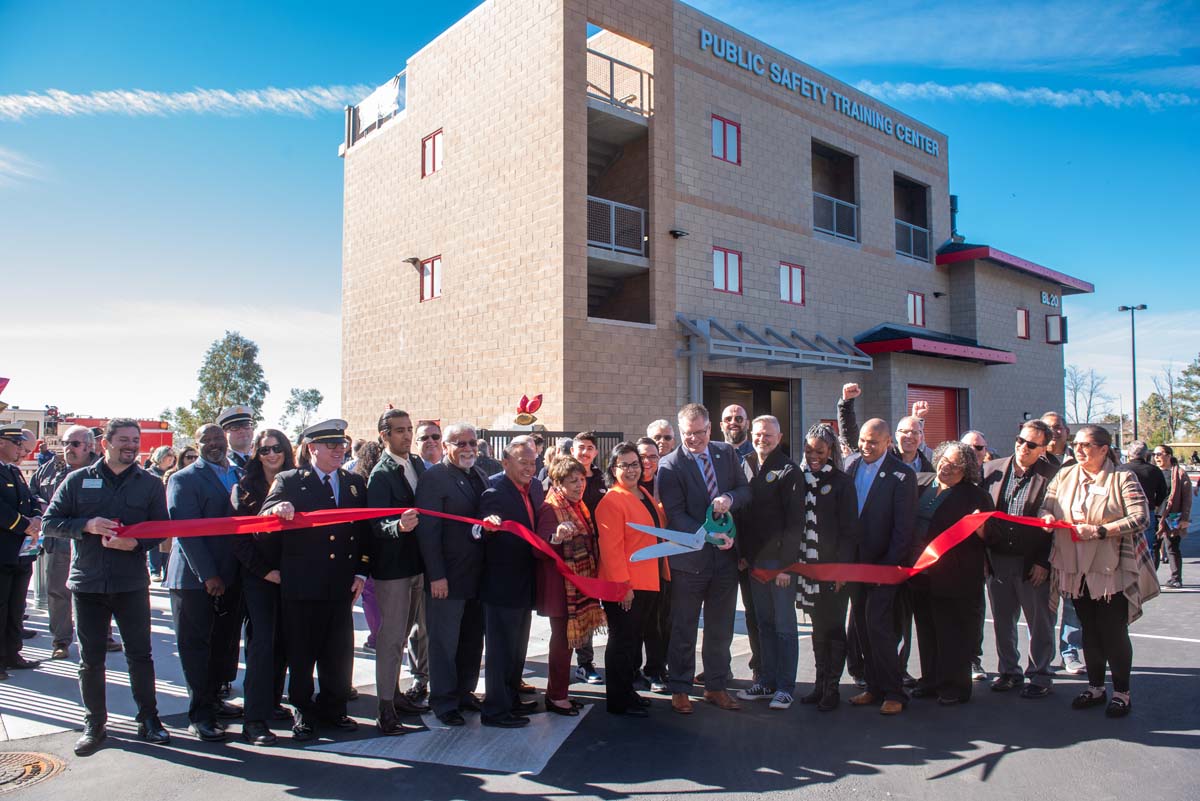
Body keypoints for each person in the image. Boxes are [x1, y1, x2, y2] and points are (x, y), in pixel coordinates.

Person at [42, 418, 171, 756]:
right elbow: (51, 524)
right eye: (124, 440)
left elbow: (161, 529)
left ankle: (149, 719)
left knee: (140, 655)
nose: (131, 445)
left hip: (130, 583)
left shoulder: (151, 484)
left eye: (135, 440)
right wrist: (87, 524)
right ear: (106, 444)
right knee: (91, 660)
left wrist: (137, 545)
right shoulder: (77, 480)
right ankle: (95, 724)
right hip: (88, 584)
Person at [261, 420, 369, 741]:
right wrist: (278, 508)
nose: (339, 450)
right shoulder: (290, 480)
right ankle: (303, 710)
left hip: (341, 584)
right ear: (312, 449)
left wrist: (361, 571)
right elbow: (264, 515)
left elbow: (363, 531)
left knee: (338, 652)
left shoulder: (353, 483)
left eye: (342, 444)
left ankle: (334, 708)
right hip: (303, 584)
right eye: (331, 445)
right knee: (302, 652)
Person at [1040, 424, 1151, 718]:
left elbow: (1141, 518)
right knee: (1087, 629)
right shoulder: (1064, 475)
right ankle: (1096, 687)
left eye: (1086, 445)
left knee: (1113, 631)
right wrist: (1047, 516)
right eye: (1075, 444)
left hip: (1108, 568)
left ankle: (1122, 692)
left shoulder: (1122, 477)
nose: (1078, 449)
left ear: (1104, 449)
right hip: (1073, 568)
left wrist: (1101, 531)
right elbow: (1045, 506)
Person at [657, 403, 751, 715]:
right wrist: (707, 534)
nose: (694, 439)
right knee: (684, 626)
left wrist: (730, 499)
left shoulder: (726, 453)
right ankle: (680, 688)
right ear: (679, 430)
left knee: (720, 626)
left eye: (699, 433)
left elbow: (744, 490)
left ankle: (716, 686)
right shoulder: (670, 465)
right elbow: (675, 514)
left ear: (710, 429)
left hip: (725, 561)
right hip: (690, 561)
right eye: (687, 434)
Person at [165, 423, 245, 742]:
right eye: (205, 440)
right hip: (194, 579)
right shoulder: (183, 479)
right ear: (195, 445)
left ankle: (215, 700)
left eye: (217, 438)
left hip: (233, 575)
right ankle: (200, 715)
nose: (213, 444)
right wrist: (208, 574)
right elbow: (187, 531)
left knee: (223, 645)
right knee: (195, 647)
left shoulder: (238, 474)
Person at [414, 422, 489, 727]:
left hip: (477, 576)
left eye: (472, 442)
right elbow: (428, 533)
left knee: (471, 639)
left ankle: (464, 691)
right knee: (444, 642)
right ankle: (443, 700)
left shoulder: (479, 474)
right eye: (460, 444)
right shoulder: (434, 478)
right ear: (446, 447)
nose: (468, 448)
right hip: (448, 577)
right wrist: (437, 576)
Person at [908, 441, 993, 705]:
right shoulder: (923, 484)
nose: (946, 466)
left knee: (953, 632)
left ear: (966, 468)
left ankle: (955, 686)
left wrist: (983, 529)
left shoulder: (976, 496)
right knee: (926, 629)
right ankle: (930, 680)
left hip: (956, 576)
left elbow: (992, 534)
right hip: (920, 573)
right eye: (943, 459)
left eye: (954, 464)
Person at [980, 420, 1058, 698]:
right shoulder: (990, 470)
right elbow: (980, 517)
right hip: (998, 559)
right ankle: (1009, 672)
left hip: (1032, 562)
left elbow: (1056, 525)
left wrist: (1044, 562)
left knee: (1040, 622)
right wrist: (984, 556)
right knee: (1003, 620)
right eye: (1020, 440)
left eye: (1031, 444)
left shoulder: (1053, 475)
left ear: (1044, 448)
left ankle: (1040, 674)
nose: (1023, 447)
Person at [846, 418, 917, 716]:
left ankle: (894, 691)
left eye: (873, 442)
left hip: (884, 566)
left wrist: (889, 566)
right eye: (863, 440)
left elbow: (904, 528)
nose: (866, 446)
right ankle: (873, 686)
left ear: (888, 442)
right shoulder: (851, 467)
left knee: (880, 626)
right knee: (861, 625)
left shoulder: (902, 475)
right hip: (854, 564)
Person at [230, 428, 295, 746]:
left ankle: (271, 701)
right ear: (256, 454)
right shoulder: (244, 488)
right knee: (261, 645)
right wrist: (264, 571)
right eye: (265, 450)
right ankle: (253, 720)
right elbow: (239, 539)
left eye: (277, 448)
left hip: (293, 575)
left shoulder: (299, 481)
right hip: (258, 578)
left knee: (283, 642)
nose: (271, 454)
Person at [365, 409, 428, 735]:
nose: (407, 435)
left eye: (409, 429)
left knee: (403, 636)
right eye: (399, 430)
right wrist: (397, 527)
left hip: (417, 565)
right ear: (384, 435)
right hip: (393, 570)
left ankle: (396, 694)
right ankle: (384, 709)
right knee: (390, 639)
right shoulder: (381, 473)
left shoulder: (416, 464)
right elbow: (374, 524)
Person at [789, 423, 858, 711]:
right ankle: (819, 684)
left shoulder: (842, 483)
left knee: (833, 629)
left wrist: (842, 569)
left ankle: (832, 687)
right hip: (807, 570)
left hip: (833, 572)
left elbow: (849, 530)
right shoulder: (798, 480)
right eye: (808, 450)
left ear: (830, 451)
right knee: (818, 629)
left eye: (819, 451)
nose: (813, 455)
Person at [595, 442, 667, 717]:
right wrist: (623, 587)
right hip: (627, 586)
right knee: (622, 641)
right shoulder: (612, 500)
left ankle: (628, 691)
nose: (631, 469)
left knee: (633, 641)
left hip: (649, 580)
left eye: (634, 463)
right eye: (623, 465)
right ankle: (617, 699)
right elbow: (611, 550)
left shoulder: (644, 494)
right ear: (612, 469)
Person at [736, 416, 799, 710]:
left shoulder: (789, 470)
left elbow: (794, 522)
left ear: (780, 435)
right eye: (758, 434)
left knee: (785, 626)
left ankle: (786, 686)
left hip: (779, 565)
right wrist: (742, 555)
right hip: (754, 563)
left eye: (769, 434)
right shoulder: (746, 464)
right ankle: (767, 680)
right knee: (764, 623)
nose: (762, 439)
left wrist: (786, 566)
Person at [534, 455, 605, 715]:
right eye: (572, 481)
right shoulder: (550, 508)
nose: (579, 485)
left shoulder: (577, 505)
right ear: (557, 482)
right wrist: (555, 537)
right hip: (560, 589)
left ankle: (560, 692)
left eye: (581, 480)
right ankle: (556, 696)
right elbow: (539, 549)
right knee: (562, 644)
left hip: (576, 585)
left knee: (566, 644)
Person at [478, 440, 541, 728]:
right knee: (501, 650)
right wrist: (487, 527)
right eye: (523, 462)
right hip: (502, 584)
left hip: (525, 582)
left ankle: (511, 699)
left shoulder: (535, 488)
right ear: (505, 463)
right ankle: (495, 710)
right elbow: (484, 530)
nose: (529, 467)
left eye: (533, 462)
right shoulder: (494, 492)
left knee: (517, 649)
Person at [0, 422, 41, 678]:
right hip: (3, 552)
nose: (21, 450)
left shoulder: (14, 472)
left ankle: (12, 653)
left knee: (16, 607)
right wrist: (24, 525)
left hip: (20, 553)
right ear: (1, 442)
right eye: (17, 444)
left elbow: (31, 499)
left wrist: (36, 518)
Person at [570, 431, 606, 685]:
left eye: (590, 447)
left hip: (602, 550)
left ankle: (589, 661)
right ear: (573, 450)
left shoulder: (603, 478)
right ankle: (580, 662)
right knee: (577, 608)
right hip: (574, 552)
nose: (585, 452)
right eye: (581, 447)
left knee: (595, 608)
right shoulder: (559, 474)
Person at [635, 437, 670, 693]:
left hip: (662, 563)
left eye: (653, 457)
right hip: (635, 565)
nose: (647, 462)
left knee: (659, 622)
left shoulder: (666, 484)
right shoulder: (627, 487)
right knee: (635, 622)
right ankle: (633, 669)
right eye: (642, 457)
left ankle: (656, 668)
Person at [1120, 441, 1168, 569]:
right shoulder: (1154, 471)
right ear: (1145, 454)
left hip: (1124, 513)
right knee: (1147, 547)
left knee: (1124, 547)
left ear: (1129, 453)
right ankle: (1148, 578)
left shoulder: (1121, 470)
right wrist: (1155, 504)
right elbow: (1163, 492)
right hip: (1147, 511)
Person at [1153, 444, 1191, 589]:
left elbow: (1187, 497)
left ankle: (1176, 578)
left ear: (1168, 455)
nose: (1156, 457)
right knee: (1154, 547)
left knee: (1172, 546)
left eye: (1159, 454)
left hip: (1173, 515)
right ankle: (1152, 579)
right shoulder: (1154, 472)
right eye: (1154, 454)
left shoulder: (1179, 473)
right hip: (1155, 515)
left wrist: (1185, 518)